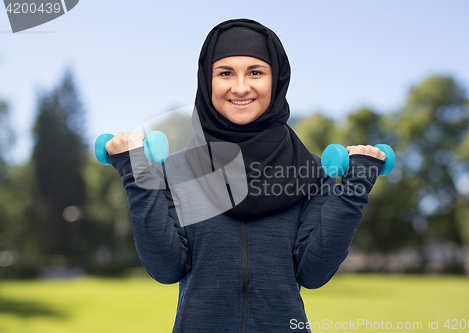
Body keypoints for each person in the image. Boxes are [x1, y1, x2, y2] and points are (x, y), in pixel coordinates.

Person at [105, 19, 386, 333]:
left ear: (276, 80)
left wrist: (356, 185)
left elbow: (314, 273)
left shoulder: (313, 173)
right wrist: (136, 172)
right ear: (206, 81)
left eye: (256, 72)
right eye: (225, 73)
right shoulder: (176, 172)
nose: (240, 87)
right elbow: (166, 268)